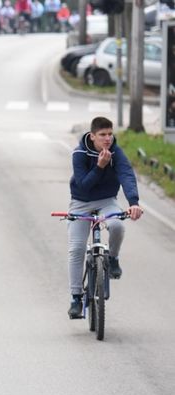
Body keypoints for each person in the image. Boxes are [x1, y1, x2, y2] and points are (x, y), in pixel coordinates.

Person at [65, 117, 143, 319]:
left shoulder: (116, 153)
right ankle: (76, 298)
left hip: (107, 200)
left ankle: (113, 258)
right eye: (102, 135)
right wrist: (99, 167)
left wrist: (133, 202)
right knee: (76, 248)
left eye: (110, 134)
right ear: (92, 136)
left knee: (117, 225)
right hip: (81, 202)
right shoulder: (80, 153)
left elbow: (126, 175)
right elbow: (83, 185)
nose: (108, 139)